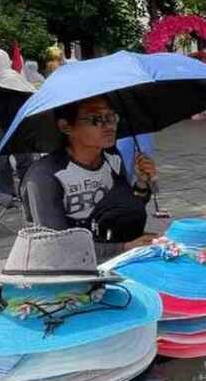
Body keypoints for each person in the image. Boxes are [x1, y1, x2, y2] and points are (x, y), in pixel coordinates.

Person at [22, 96, 157, 260]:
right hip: (67, 270)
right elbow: (57, 245)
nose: (109, 126)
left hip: (114, 258)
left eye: (111, 117)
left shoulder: (112, 159)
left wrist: (142, 183)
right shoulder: (44, 176)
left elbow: (123, 207)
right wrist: (125, 248)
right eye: (95, 119)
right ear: (66, 127)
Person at [0, 47, 36, 196]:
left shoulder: (11, 78)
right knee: (0, 160)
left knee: (23, 161)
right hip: (4, 127)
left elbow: (27, 98)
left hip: (18, 127)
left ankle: (29, 192)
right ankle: (5, 194)